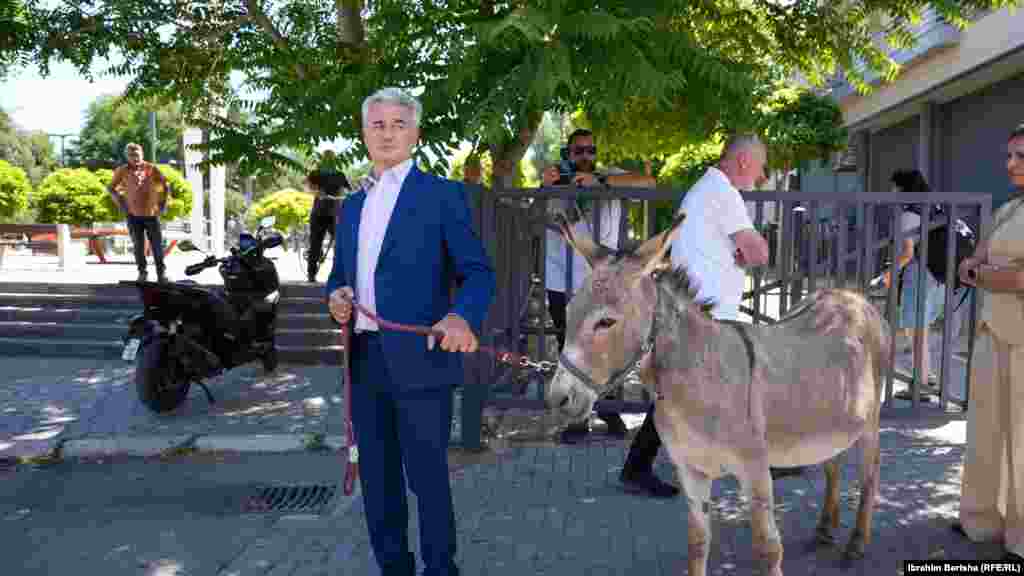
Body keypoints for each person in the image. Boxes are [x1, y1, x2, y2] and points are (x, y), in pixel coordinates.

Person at [326, 87, 495, 576]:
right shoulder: (352, 207)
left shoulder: (441, 194)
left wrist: (462, 316)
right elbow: (340, 277)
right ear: (364, 134)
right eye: (377, 125)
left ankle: (441, 570)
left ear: (416, 133)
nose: (387, 133)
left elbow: (478, 271)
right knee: (378, 485)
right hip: (365, 362)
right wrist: (334, 298)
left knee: (428, 480)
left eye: (398, 124)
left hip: (423, 361)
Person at [541, 129, 679, 498]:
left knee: (611, 345)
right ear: (566, 153)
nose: (584, 155)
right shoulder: (555, 182)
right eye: (578, 151)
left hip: (605, 288)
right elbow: (549, 218)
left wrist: (599, 180)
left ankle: (610, 408)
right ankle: (578, 416)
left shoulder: (611, 177)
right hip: (564, 283)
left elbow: (648, 182)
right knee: (570, 347)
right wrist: (552, 185)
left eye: (590, 150)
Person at [953, 122, 1024, 563]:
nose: (1010, 164)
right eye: (1010, 155)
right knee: (983, 428)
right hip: (990, 330)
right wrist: (986, 272)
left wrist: (985, 274)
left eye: (1021, 157)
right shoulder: (1008, 209)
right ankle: (981, 518)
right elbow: (974, 259)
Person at [888, 169, 947, 398]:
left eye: (894, 186)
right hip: (939, 275)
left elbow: (907, 252)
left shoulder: (910, 213)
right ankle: (926, 375)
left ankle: (920, 385)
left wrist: (890, 273)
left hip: (920, 274)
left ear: (903, 188)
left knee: (915, 330)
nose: (891, 191)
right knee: (921, 328)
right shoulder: (932, 206)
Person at [107, 142, 170, 282]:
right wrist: (120, 201)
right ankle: (142, 273)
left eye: (136, 154)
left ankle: (161, 274)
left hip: (151, 214)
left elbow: (165, 185)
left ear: (142, 154)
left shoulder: (151, 168)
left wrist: (163, 204)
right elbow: (110, 188)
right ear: (127, 157)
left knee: (157, 246)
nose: (134, 157)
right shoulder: (122, 170)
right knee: (138, 246)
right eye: (131, 155)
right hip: (133, 215)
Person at [305, 168, 350, 282]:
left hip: (334, 214)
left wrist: (341, 197)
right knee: (315, 244)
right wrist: (316, 192)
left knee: (340, 245)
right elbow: (307, 185)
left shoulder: (339, 174)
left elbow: (346, 190)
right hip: (318, 214)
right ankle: (311, 273)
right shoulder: (317, 173)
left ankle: (339, 275)